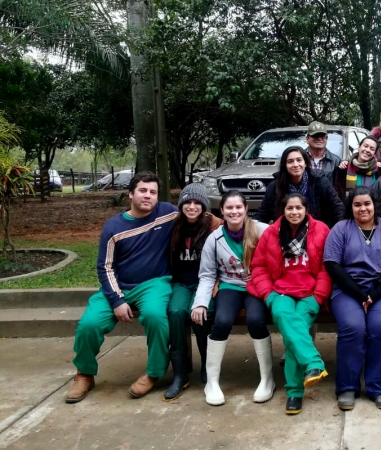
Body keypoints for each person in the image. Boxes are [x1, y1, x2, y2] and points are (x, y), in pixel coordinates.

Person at [66, 172, 178, 403]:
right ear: (131, 193)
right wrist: (117, 300)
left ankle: (154, 372)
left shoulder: (168, 213)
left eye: (153, 192)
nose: (148, 196)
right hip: (119, 286)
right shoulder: (114, 227)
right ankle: (84, 373)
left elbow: (198, 214)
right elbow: (104, 267)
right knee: (89, 324)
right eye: (143, 191)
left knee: (156, 316)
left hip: (155, 283)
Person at [248, 193, 331, 415]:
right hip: (280, 292)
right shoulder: (272, 233)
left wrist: (318, 296)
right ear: (283, 211)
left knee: (296, 332)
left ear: (306, 209)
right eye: (289, 208)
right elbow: (259, 266)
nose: (294, 212)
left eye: (298, 208)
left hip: (310, 294)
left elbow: (327, 266)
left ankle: (294, 392)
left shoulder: (320, 230)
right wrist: (268, 295)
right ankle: (314, 364)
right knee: (289, 322)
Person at [323, 187, 381, 411]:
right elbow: (332, 264)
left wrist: (374, 295)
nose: (362, 208)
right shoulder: (341, 229)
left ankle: (379, 387)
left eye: (367, 203)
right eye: (357, 204)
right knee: (353, 326)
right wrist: (360, 295)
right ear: (351, 207)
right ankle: (347, 386)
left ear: (375, 205)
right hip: (347, 289)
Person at [191, 191, 271, 406]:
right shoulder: (214, 238)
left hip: (256, 286)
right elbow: (207, 275)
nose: (234, 211)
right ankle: (212, 381)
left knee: (255, 320)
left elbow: (276, 261)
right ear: (222, 211)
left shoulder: (263, 231)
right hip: (229, 287)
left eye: (238, 207)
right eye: (229, 208)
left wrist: (269, 281)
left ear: (245, 209)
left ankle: (266, 379)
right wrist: (200, 302)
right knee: (222, 321)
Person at [164, 183, 223, 402]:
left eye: (196, 202)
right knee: (176, 312)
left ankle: (208, 369)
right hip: (181, 282)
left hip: (207, 281)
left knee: (202, 314)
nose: (191, 207)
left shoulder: (215, 226)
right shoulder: (173, 225)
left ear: (204, 206)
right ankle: (180, 374)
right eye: (187, 202)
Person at [256, 146, 344, 228]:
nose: (295, 165)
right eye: (290, 161)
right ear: (285, 165)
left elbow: (337, 208)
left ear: (305, 163)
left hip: (316, 233)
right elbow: (263, 213)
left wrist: (338, 231)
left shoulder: (320, 181)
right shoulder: (275, 186)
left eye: (299, 160)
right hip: (285, 233)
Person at [334, 135, 381, 200]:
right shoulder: (344, 169)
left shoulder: (380, 171)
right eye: (365, 146)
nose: (367, 150)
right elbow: (337, 196)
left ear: (374, 154)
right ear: (359, 147)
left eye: (372, 149)